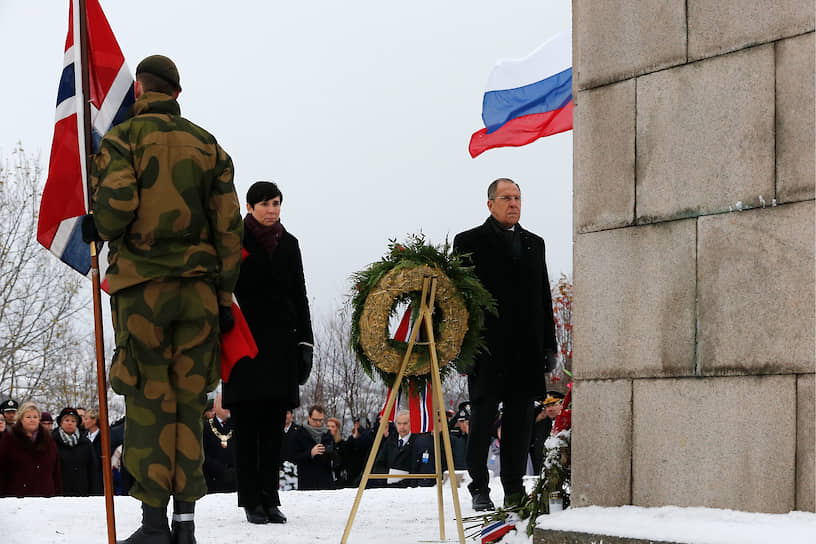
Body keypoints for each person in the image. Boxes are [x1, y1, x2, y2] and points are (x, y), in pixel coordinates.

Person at [84, 54, 242, 544]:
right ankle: (186, 524)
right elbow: (230, 230)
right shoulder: (207, 145)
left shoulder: (122, 139)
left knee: (150, 403)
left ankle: (153, 527)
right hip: (198, 293)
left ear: (140, 91)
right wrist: (223, 294)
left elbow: (116, 211)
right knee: (189, 406)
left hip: (143, 291)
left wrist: (96, 224)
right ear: (176, 93)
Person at [453, 178, 558, 510]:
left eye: (517, 198)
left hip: (526, 349)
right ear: (490, 204)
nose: (513, 203)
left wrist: (549, 345)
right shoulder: (468, 241)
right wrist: (461, 348)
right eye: (506, 198)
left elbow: (543, 295)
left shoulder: (534, 243)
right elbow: (457, 301)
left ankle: (514, 489)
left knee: (520, 424)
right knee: (482, 421)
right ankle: (479, 488)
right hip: (487, 349)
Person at [222, 181, 313, 525]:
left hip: (280, 348)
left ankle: (270, 497)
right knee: (247, 428)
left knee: (274, 428)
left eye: (275, 203)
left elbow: (299, 295)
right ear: (249, 207)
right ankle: (250, 499)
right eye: (264, 204)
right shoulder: (233, 240)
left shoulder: (290, 244)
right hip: (243, 343)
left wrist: (306, 343)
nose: (271, 209)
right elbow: (221, 286)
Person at [0, 402, 62, 497]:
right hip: (17, 494)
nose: (32, 420)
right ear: (21, 419)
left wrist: (58, 494)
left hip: (45, 494)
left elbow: (56, 469)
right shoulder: (9, 438)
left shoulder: (48, 439)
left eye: (35, 417)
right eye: (28, 417)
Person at [372, 410, 435, 488]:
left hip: (408, 488)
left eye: (405, 423)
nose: (402, 427)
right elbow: (379, 465)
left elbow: (420, 468)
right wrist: (386, 478)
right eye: (399, 424)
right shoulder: (390, 441)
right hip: (387, 487)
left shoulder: (418, 441)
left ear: (411, 424)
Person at [53, 407, 101, 496]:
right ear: (61, 422)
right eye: (67, 420)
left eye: (73, 421)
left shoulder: (86, 443)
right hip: (59, 493)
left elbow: (93, 470)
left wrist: (95, 493)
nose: (70, 423)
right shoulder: (52, 442)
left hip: (82, 492)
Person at [290, 405, 335, 491]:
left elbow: (337, 461)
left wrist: (332, 454)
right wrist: (310, 453)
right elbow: (294, 458)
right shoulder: (299, 434)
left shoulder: (327, 434)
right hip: (307, 483)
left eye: (321, 420)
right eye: (315, 420)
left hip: (326, 483)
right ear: (309, 418)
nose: (318, 423)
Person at [202, 395, 236, 494]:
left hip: (235, 484)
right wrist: (222, 471)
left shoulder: (238, 427)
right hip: (212, 483)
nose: (228, 408)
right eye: (224, 405)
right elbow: (203, 454)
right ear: (215, 407)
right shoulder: (205, 428)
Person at [529, 392, 564, 474]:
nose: (550, 409)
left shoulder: (568, 423)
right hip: (540, 471)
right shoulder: (539, 424)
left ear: (562, 404)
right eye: (547, 406)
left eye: (554, 404)